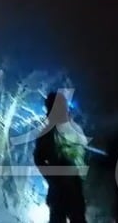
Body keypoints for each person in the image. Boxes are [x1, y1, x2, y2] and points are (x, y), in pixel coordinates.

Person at [34, 90, 89, 223]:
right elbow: (39, 158)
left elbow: (84, 155)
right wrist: (52, 177)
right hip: (61, 188)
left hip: (70, 187)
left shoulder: (72, 130)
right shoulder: (48, 133)